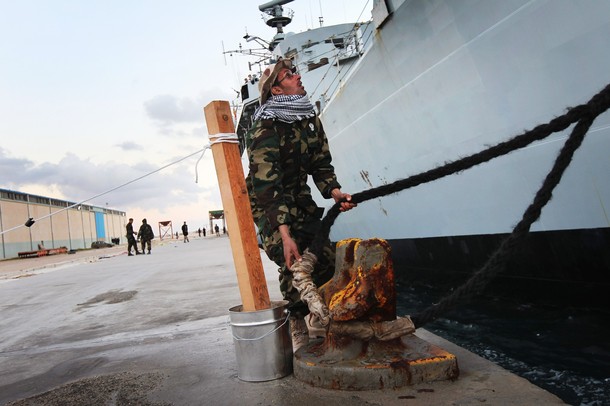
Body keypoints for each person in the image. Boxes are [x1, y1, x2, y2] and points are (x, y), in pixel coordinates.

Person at [244, 58, 356, 350]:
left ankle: (318, 316)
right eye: (288, 75)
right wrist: (284, 234)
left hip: (297, 194)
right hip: (267, 201)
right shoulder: (265, 128)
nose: (297, 76)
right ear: (277, 90)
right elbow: (267, 185)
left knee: (326, 257)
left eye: (294, 72)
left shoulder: (308, 119)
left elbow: (320, 164)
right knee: (291, 261)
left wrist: (335, 192)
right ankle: (296, 320)